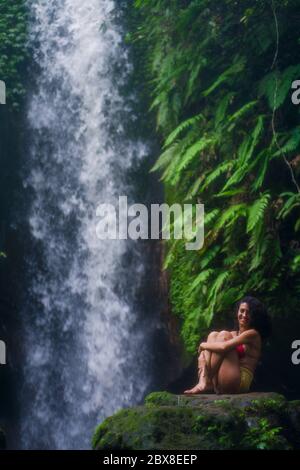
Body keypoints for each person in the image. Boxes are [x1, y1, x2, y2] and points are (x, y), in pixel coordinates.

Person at [184, 296, 271, 395]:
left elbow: (223, 347)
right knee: (213, 335)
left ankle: (205, 380)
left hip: (239, 382)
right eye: (242, 311)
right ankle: (206, 382)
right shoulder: (233, 334)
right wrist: (204, 353)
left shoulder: (253, 334)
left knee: (223, 336)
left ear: (254, 316)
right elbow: (213, 350)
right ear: (237, 312)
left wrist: (203, 345)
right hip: (221, 379)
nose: (244, 315)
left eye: (249, 312)